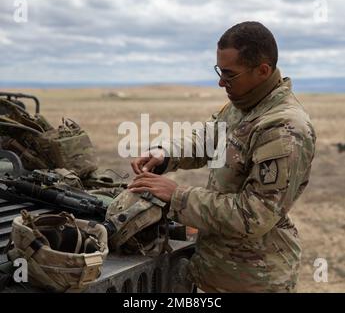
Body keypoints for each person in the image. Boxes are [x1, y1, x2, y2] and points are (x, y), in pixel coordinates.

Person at [128, 21, 316, 293]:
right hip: (218, 271)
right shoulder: (244, 103)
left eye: (229, 74)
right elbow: (209, 138)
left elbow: (254, 215)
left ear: (262, 70)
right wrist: (166, 154)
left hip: (255, 280)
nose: (220, 82)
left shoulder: (284, 129)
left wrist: (178, 196)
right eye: (219, 71)